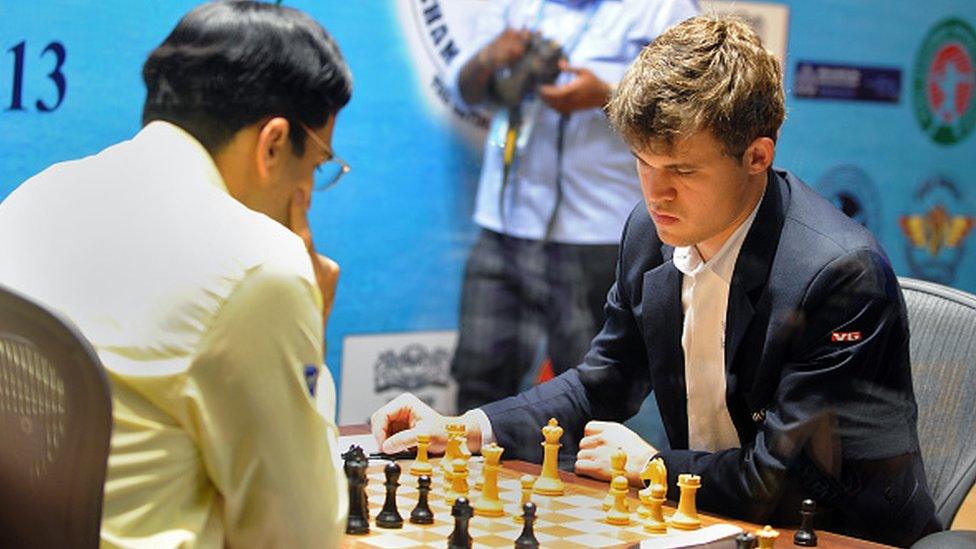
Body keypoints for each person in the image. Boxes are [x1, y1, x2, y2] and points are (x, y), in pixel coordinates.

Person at [372, 15, 942, 546]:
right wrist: (465, 428)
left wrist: (650, 467)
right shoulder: (651, 233)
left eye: (682, 171)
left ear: (757, 156)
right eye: (642, 162)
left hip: (837, 535)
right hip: (714, 521)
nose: (655, 192)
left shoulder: (838, 274)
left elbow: (788, 481)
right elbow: (601, 382)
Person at [0, 2, 351, 547]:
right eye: (318, 163)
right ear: (274, 143)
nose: (307, 190)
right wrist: (314, 326)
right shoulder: (262, 265)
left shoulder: (35, 195)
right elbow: (297, 535)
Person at [448, 0, 698, 410]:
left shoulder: (662, 8)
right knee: (478, 387)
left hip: (599, 235)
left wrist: (608, 95)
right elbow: (461, 87)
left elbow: (693, 106)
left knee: (593, 398)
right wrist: (488, 58)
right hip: (505, 226)